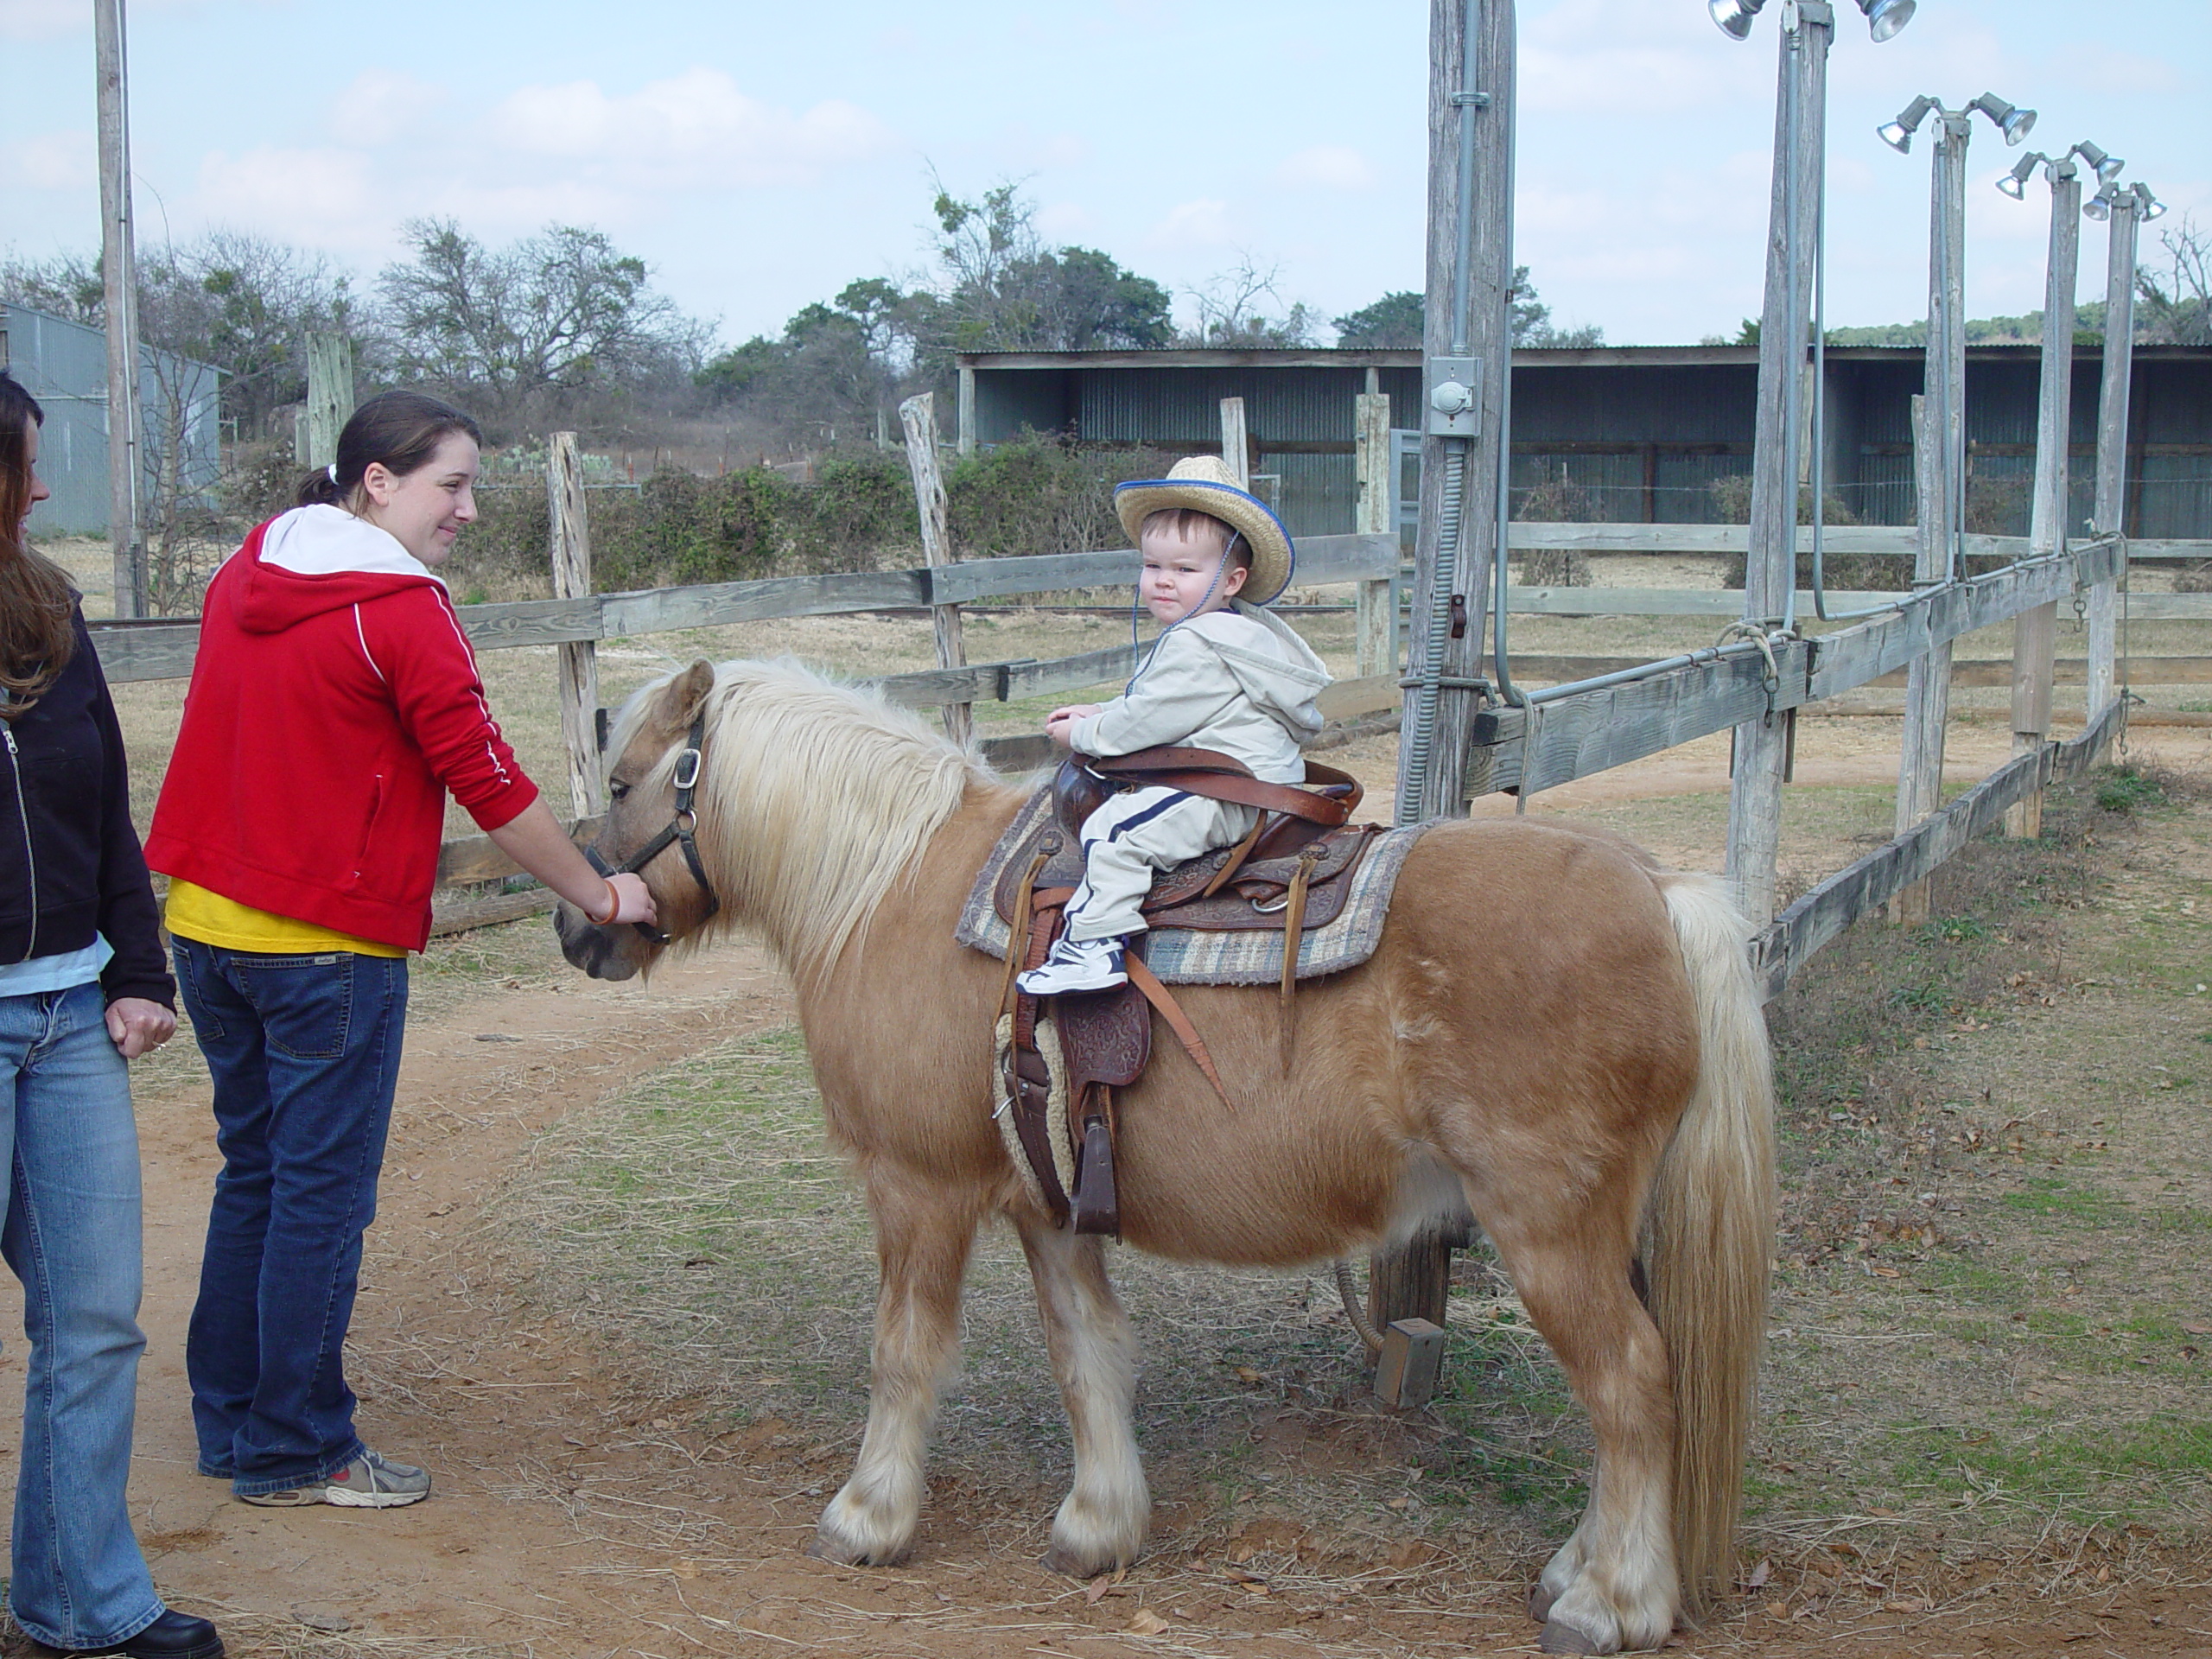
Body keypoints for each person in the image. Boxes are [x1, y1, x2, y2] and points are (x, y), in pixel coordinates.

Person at [144, 391, 654, 1510]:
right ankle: (297, 1444)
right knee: (320, 1198)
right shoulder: (401, 609)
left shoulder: (251, 571)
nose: (467, 510)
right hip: (323, 946)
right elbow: (490, 783)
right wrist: (597, 888)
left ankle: (232, 1422)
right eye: (453, 485)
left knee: (259, 1176)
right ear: (376, 480)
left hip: (207, 930)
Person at [0, 374, 226, 1657]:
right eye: (24, 466)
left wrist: (139, 973)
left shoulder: (47, 613)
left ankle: (80, 1602)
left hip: (64, 1019)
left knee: (93, 1320)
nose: (42, 487)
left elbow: (103, 806)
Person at [1017, 455, 1331, 996]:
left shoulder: (1198, 641)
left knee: (1113, 831)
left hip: (1225, 792)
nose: (1164, 582)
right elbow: (1162, 702)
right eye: (1153, 566)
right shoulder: (1230, 633)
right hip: (1249, 780)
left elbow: (1141, 726)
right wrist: (1102, 709)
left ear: (1233, 579)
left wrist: (1085, 735)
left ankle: (1092, 947)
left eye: (1185, 570)